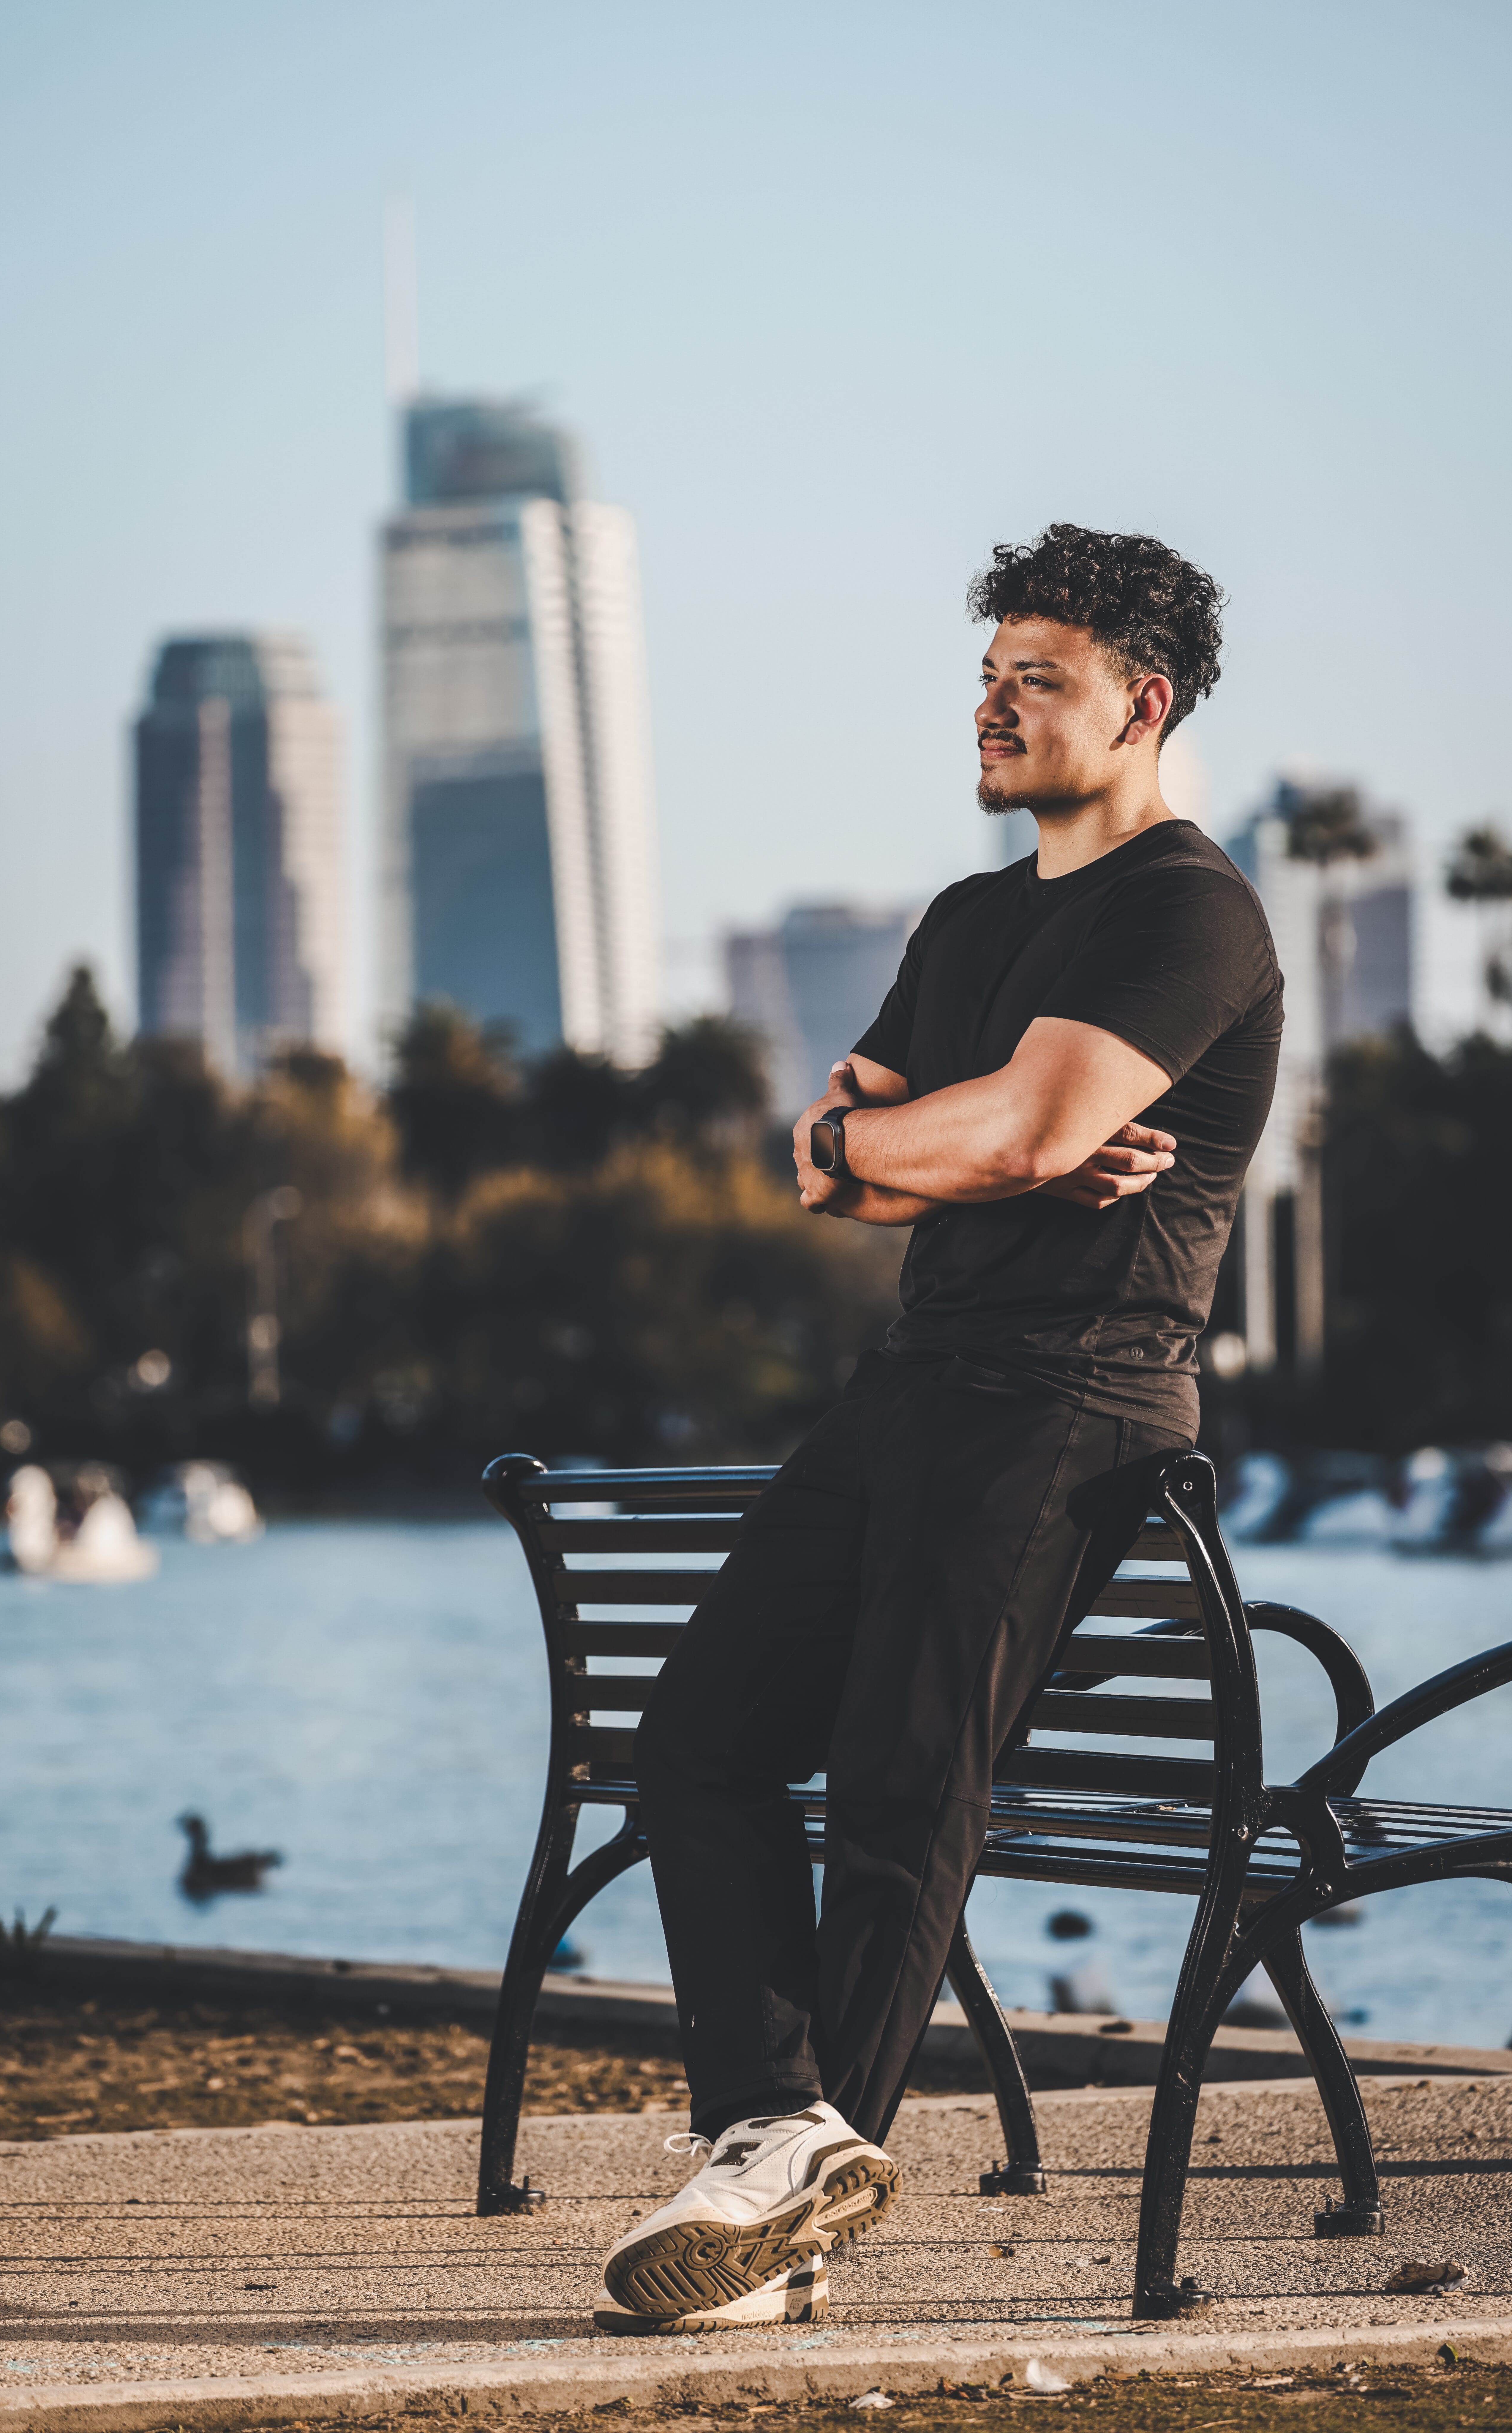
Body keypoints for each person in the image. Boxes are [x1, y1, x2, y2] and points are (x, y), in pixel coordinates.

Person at [601, 523, 1282, 2325]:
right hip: (913, 1380)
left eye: (1032, 678)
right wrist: (917, 1144)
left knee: (906, 1783)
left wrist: (953, 1139)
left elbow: (997, 1137)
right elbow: (858, 1165)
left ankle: (777, 2197)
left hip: (1075, 1399)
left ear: (1138, 706)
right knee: (697, 1738)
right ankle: (779, 2135)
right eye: (985, 674)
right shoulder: (975, 919)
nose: (988, 704)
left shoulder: (1185, 910)